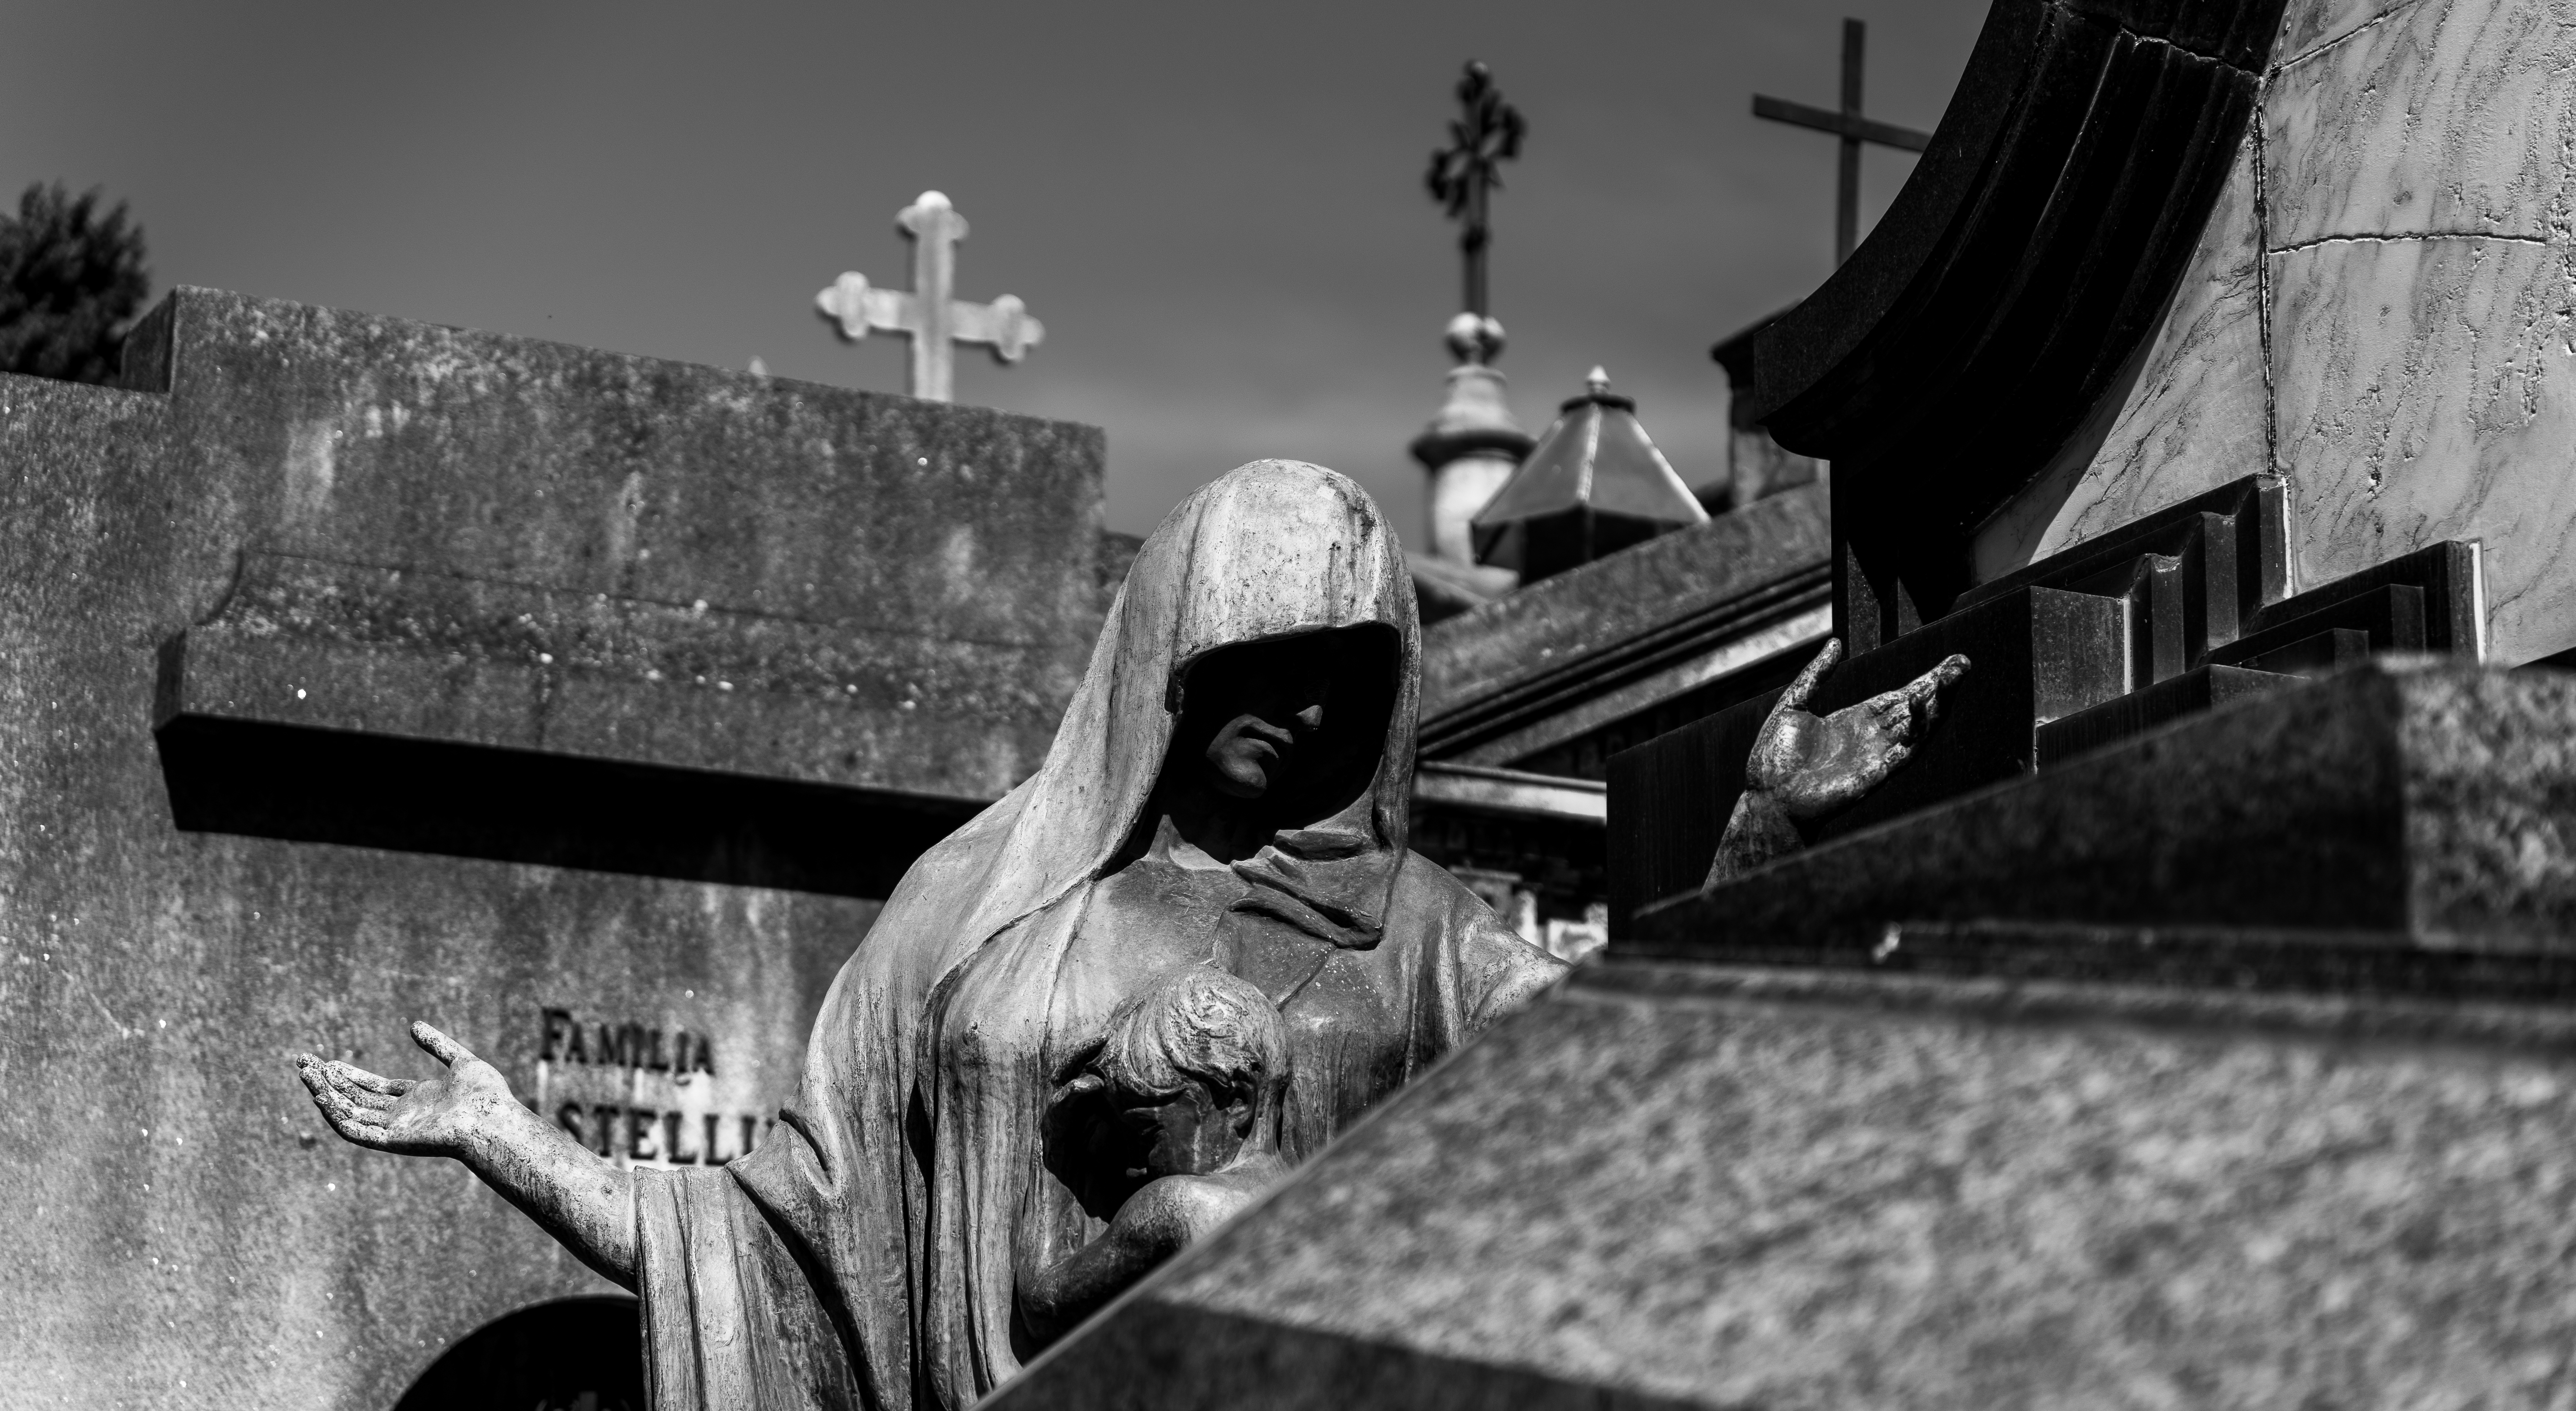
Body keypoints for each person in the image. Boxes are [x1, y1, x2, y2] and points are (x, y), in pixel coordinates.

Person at [296, 459, 1963, 1409]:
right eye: (1266, 656)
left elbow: (1610, 1070)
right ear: (1173, 649)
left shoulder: (1414, 936)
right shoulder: (981, 913)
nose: (1303, 707)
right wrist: (516, 1144)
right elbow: (786, 1244)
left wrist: (1753, 838)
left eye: (1346, 680)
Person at [1013, 965, 1292, 1346]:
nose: (1134, 1168)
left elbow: (1044, 1306)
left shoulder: (1181, 1205)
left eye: (1148, 1135)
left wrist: (1055, 1150)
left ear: (1239, 1101)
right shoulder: (1327, 1199)